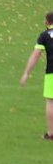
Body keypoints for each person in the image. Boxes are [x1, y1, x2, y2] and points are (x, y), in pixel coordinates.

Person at [19, 11, 53, 140]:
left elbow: (36, 55)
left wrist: (26, 73)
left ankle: (51, 134)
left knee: (50, 101)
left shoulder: (44, 36)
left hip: (52, 73)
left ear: (47, 22)